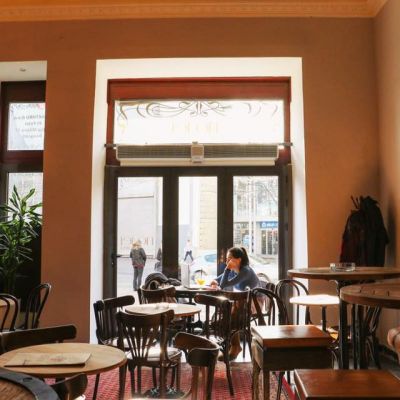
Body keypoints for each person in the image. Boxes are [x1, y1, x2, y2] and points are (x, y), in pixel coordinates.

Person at [210, 246, 260, 359]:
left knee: (229, 317)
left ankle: (234, 346)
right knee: (227, 313)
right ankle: (233, 346)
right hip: (243, 301)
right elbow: (218, 280)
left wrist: (227, 269)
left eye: (230, 258)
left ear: (239, 260)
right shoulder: (234, 271)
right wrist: (214, 281)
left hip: (255, 303)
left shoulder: (245, 271)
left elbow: (223, 285)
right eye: (227, 259)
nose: (227, 261)